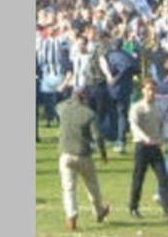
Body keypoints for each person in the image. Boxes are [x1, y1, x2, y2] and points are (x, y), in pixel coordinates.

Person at [56, 87, 111, 231]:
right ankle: (99, 211)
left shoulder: (63, 110)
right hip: (83, 155)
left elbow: (58, 105)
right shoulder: (89, 114)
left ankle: (71, 216)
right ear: (85, 98)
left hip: (66, 154)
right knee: (92, 186)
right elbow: (97, 137)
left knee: (68, 188)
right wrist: (103, 155)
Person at [128, 79, 168, 220]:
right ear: (143, 91)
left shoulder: (158, 108)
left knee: (163, 178)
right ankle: (133, 207)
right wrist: (145, 138)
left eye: (153, 90)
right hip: (142, 147)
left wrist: (163, 139)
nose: (151, 93)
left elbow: (161, 126)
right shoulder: (137, 107)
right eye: (149, 89)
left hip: (155, 147)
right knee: (138, 178)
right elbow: (134, 126)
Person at [105, 37, 140, 154]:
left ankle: (115, 138)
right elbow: (136, 68)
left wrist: (116, 77)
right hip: (125, 88)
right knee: (122, 114)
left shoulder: (110, 56)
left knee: (114, 114)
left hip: (112, 88)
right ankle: (121, 140)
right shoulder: (127, 55)